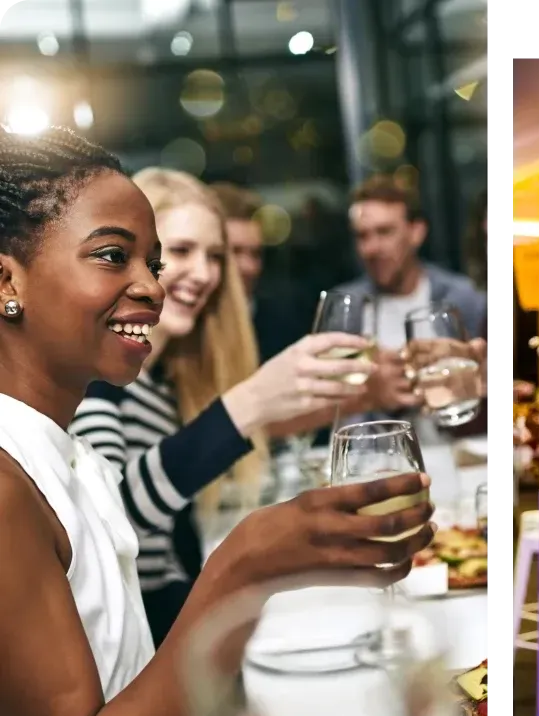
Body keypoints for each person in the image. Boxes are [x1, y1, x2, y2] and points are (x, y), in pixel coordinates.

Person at [0, 126, 434, 716]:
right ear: (8, 280)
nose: (152, 286)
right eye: (115, 256)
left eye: (154, 263)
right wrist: (244, 566)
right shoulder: (8, 482)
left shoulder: (70, 455)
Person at [69, 168, 383, 649]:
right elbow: (112, 522)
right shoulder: (97, 377)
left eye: (215, 257)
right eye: (180, 251)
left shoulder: (157, 376)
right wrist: (247, 403)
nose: (205, 273)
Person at [339, 176, 487, 418]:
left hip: (455, 446)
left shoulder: (465, 298)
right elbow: (322, 402)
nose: (371, 248)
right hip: (375, 448)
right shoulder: (346, 307)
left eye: (385, 232)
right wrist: (366, 390)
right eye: (362, 236)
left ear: (416, 232)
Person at [209, 181, 315, 365]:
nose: (250, 267)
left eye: (255, 254)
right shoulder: (182, 326)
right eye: (235, 251)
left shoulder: (284, 324)